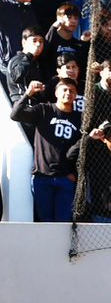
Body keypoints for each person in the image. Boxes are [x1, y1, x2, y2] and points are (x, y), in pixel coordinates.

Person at [10, 76, 82, 221]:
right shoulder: (44, 110)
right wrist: (28, 93)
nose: (68, 93)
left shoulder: (80, 118)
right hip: (42, 177)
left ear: (76, 96)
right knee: (44, 223)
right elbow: (15, 114)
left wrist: (73, 174)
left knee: (63, 224)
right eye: (65, 90)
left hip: (66, 178)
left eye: (72, 91)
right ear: (56, 93)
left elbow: (82, 150)